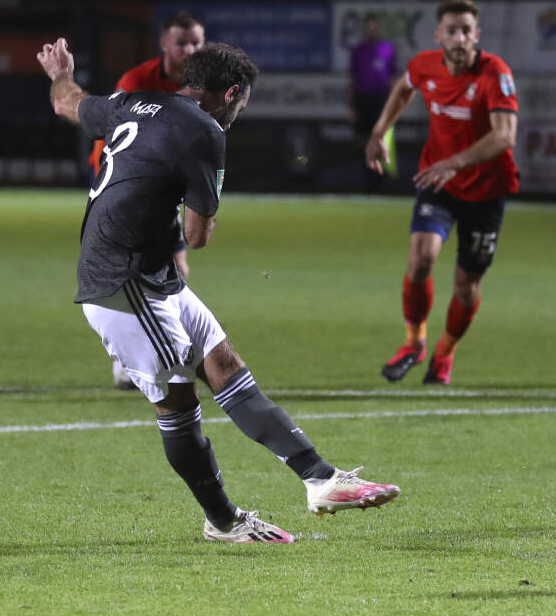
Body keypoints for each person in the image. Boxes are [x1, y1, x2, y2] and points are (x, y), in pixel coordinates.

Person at [37, 37, 400, 544]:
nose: (238, 114)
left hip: (148, 270)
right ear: (230, 93)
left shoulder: (133, 101)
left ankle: (320, 479)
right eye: (242, 104)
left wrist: (61, 70)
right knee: (179, 405)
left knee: (224, 363)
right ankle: (224, 521)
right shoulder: (205, 131)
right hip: (123, 283)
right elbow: (198, 236)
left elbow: (66, 101)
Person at [366, 0, 519, 386]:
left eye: (466, 30)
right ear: (438, 35)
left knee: (466, 287)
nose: (459, 38)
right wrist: (379, 131)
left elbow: (504, 136)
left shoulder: (494, 73)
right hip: (439, 184)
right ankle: (414, 342)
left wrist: (454, 162)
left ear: (476, 35)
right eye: (451, 30)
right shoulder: (425, 64)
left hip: (485, 191)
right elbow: (404, 88)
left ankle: (444, 352)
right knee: (420, 258)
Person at [94, 11, 206, 389]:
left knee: (176, 269)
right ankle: (127, 359)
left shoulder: (203, 87)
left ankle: (156, 352)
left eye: (196, 42)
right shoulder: (137, 82)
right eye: (182, 43)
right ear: (163, 44)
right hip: (126, 191)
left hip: (166, 193)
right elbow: (110, 131)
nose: (189, 50)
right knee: (127, 274)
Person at [349, 14, 399, 186]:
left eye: (374, 26)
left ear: (378, 28)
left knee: (380, 138)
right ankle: (366, 178)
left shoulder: (388, 49)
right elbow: (352, 80)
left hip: (381, 100)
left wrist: (393, 106)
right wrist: (352, 107)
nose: (371, 30)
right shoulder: (358, 51)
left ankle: (381, 179)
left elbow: (393, 79)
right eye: (368, 26)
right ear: (365, 29)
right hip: (363, 100)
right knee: (362, 139)